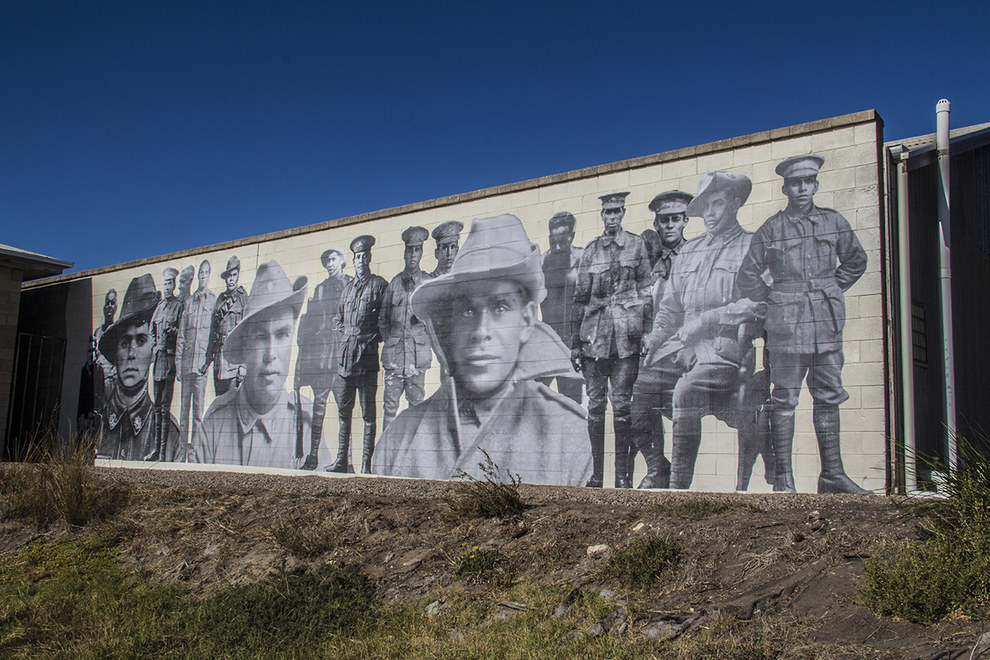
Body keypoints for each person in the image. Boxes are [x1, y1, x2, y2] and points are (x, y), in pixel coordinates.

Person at [373, 214, 591, 486]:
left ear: (526, 321)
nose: (481, 330)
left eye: (500, 308)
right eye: (467, 311)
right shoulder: (400, 437)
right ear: (448, 325)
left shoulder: (568, 433)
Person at [737, 155, 869, 494]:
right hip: (785, 328)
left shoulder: (833, 222)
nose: (802, 188)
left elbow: (856, 259)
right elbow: (747, 276)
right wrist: (775, 299)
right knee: (784, 400)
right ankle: (784, 479)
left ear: (816, 185)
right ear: (785, 188)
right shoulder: (771, 229)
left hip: (825, 324)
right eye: (795, 183)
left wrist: (831, 287)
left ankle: (833, 476)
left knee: (828, 397)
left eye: (808, 182)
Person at [643, 171, 767, 490]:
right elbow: (670, 307)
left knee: (685, 392)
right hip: (680, 348)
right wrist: (655, 339)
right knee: (639, 389)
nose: (710, 214)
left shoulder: (751, 245)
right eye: (705, 208)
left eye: (717, 204)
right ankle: (659, 470)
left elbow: (761, 303)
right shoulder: (690, 251)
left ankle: (677, 491)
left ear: (736, 203)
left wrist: (710, 319)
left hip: (723, 350)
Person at [195, 261, 314, 469]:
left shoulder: (309, 424)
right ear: (245, 344)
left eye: (282, 334)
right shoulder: (215, 424)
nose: (270, 354)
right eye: (260, 337)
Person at [571, 192, 653, 488]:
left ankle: (622, 477)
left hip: (626, 339)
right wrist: (574, 343)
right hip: (594, 339)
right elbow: (579, 299)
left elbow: (646, 292)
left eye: (617, 212)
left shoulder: (636, 245)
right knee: (595, 407)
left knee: (621, 407)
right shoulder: (592, 251)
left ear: (623, 213)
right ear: (602, 215)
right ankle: (597, 475)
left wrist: (647, 331)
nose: (612, 217)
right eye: (608, 213)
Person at [628, 190, 693, 488]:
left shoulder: (697, 256)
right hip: (657, 349)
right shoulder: (647, 262)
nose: (669, 226)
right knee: (638, 403)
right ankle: (657, 468)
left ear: (685, 221)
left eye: (675, 219)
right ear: (656, 224)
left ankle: (680, 477)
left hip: (691, 345)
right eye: (663, 220)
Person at [96, 274, 179, 461]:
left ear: (152, 351)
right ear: (115, 352)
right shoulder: (96, 425)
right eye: (125, 342)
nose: (131, 353)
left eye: (141, 341)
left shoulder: (171, 435)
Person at [329, 235, 388, 474]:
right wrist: (348, 336)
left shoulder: (379, 285)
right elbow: (337, 319)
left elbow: (385, 321)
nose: (361, 260)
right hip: (345, 360)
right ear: (353, 260)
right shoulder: (347, 289)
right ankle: (342, 461)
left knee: (368, 414)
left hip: (367, 359)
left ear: (370, 258)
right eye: (357, 256)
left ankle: (366, 464)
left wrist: (370, 337)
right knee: (344, 412)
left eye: (364, 256)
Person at [294, 247, 353, 470]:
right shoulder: (320, 289)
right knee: (319, 408)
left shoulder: (351, 284)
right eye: (326, 261)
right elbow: (310, 323)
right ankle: (312, 457)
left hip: (341, 358)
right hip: (322, 358)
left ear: (341, 261)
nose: (330, 264)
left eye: (333, 259)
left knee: (344, 410)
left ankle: (345, 460)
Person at [379, 226, 433, 429]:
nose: (412, 254)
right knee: (390, 408)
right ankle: (386, 454)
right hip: (395, 358)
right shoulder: (394, 284)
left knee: (416, 406)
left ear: (421, 253)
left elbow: (434, 320)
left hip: (417, 358)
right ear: (404, 252)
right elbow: (383, 320)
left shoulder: (427, 283)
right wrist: (391, 340)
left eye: (417, 250)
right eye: (409, 250)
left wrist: (422, 338)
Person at [539, 211, 584, 403]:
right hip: (548, 340)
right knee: (536, 396)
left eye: (562, 241)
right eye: (553, 241)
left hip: (573, 340)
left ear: (572, 236)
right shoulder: (541, 262)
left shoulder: (582, 260)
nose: (557, 247)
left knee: (571, 401)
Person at [175, 259, 216, 454]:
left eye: (206, 273)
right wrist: (178, 366)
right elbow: (181, 336)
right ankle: (182, 449)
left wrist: (207, 363)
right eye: (201, 273)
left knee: (198, 414)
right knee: (184, 412)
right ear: (197, 276)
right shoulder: (189, 303)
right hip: (186, 365)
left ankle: (195, 452)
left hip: (201, 367)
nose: (202, 276)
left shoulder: (212, 301)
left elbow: (213, 336)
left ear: (209, 276)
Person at [147, 266, 183, 461]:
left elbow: (182, 334)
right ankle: (155, 449)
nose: (167, 287)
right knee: (156, 407)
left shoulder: (178, 306)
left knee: (164, 408)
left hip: (169, 361)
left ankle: (162, 452)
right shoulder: (160, 307)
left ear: (174, 284)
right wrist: (154, 348)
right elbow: (152, 330)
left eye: (170, 283)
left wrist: (173, 332)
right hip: (159, 359)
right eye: (165, 283)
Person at [201, 255, 248, 396]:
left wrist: (243, 366)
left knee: (232, 405)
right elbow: (213, 332)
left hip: (234, 363)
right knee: (219, 404)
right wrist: (207, 361)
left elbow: (247, 334)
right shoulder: (220, 300)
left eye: (234, 275)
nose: (231, 279)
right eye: (228, 276)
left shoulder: (243, 299)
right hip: (219, 363)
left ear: (238, 276)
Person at [92, 288, 118, 407]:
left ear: (116, 308)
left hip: (110, 379)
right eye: (107, 303)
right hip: (97, 378)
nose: (109, 306)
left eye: (112, 303)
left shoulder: (118, 330)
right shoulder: (97, 332)